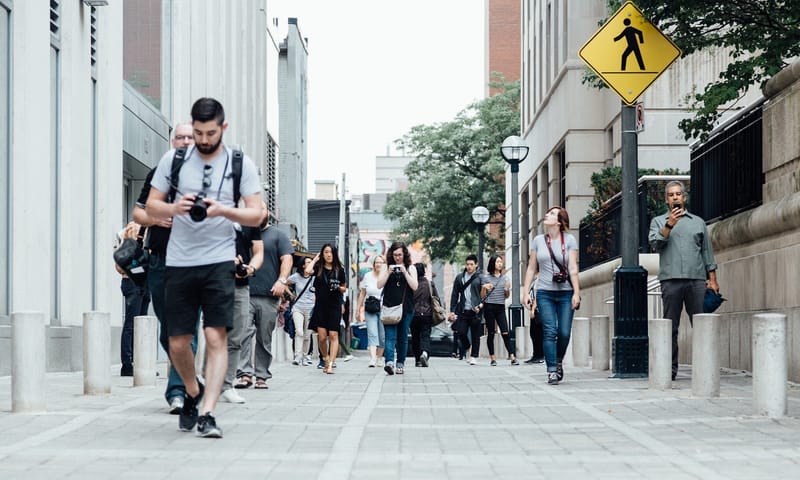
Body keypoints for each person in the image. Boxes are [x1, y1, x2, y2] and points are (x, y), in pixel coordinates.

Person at [146, 97, 264, 438]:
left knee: (215, 336)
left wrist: (223, 211)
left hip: (218, 260)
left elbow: (257, 214)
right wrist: (174, 208)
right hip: (180, 261)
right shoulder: (175, 159)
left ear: (223, 128)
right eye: (198, 132)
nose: (203, 139)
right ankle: (192, 392)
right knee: (178, 342)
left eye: (210, 133)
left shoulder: (240, 162)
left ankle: (208, 412)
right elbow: (150, 206)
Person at [133, 121, 194, 412]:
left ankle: (178, 390)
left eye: (189, 138)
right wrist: (155, 220)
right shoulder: (158, 174)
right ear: (172, 142)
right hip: (160, 260)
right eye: (179, 137)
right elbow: (137, 212)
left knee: (186, 328)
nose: (183, 142)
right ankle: (185, 379)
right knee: (168, 329)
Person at [648, 180, 719, 381]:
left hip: (696, 280)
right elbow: (655, 244)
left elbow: (707, 252)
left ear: (684, 197)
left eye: (678, 194)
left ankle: (705, 367)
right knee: (671, 327)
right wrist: (669, 224)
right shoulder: (658, 221)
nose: (675, 197)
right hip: (670, 281)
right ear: (666, 199)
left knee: (702, 324)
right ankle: (670, 369)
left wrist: (712, 279)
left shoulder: (698, 222)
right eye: (671, 195)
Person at [522, 206, 581, 385]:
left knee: (563, 332)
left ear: (560, 221)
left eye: (552, 213)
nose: (547, 215)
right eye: (547, 212)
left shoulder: (570, 240)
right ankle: (552, 371)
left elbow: (572, 267)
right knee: (550, 331)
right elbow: (532, 267)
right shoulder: (538, 240)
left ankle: (558, 360)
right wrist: (525, 292)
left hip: (566, 292)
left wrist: (577, 292)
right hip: (544, 292)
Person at [245, 207, 294, 388]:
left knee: (263, 338)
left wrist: (282, 280)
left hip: (269, 295)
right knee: (242, 334)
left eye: (262, 208)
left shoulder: (278, 235)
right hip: (244, 293)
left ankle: (261, 375)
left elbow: (287, 259)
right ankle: (244, 374)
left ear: (268, 213)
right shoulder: (244, 233)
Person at [219, 214, 264, 404]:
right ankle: (205, 381)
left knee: (236, 336)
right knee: (213, 334)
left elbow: (258, 251)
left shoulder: (248, 219)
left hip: (241, 285)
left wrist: (249, 269)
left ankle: (227, 386)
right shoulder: (210, 214)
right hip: (214, 282)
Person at [114, 221, 151, 377]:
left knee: (141, 325)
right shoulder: (130, 231)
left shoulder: (149, 230)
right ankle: (127, 364)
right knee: (132, 324)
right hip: (132, 281)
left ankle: (138, 363)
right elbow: (122, 262)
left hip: (142, 282)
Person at [305, 243, 348, 374]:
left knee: (334, 335)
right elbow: (307, 271)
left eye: (331, 252)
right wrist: (315, 259)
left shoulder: (339, 270)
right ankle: (325, 358)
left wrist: (338, 287)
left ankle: (330, 364)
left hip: (334, 305)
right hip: (321, 306)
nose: (329, 255)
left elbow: (344, 287)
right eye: (326, 252)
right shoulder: (318, 268)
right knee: (322, 337)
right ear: (322, 254)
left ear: (334, 254)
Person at [377, 241, 418, 375]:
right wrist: (388, 272)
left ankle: (400, 363)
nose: (397, 258)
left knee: (402, 337)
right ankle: (389, 362)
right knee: (389, 337)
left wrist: (405, 272)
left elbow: (415, 286)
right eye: (395, 255)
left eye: (400, 255)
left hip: (406, 308)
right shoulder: (386, 267)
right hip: (389, 307)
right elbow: (379, 285)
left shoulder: (411, 268)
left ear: (404, 254)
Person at [480, 255, 518, 366]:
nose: (500, 264)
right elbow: (482, 297)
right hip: (489, 307)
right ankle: (492, 358)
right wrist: (484, 287)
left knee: (505, 332)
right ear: (492, 264)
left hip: (500, 307)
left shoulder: (505, 278)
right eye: (497, 262)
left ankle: (512, 357)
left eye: (501, 262)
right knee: (491, 333)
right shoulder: (486, 278)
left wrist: (507, 288)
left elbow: (506, 296)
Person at [448, 254, 483, 365]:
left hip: (476, 310)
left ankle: (474, 356)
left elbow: (485, 295)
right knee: (461, 332)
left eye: (471, 264)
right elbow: (454, 295)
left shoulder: (480, 277)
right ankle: (468, 348)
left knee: (475, 334)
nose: (469, 266)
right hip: (463, 310)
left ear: (476, 265)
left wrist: (481, 306)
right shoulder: (460, 277)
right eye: (467, 264)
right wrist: (452, 310)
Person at [356, 255, 386, 367]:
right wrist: (358, 309)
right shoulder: (368, 276)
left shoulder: (386, 276)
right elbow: (362, 293)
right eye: (376, 262)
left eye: (381, 262)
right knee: (372, 333)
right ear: (373, 264)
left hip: (383, 308)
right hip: (370, 308)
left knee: (382, 336)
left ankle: (379, 357)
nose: (378, 264)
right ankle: (373, 358)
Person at [287, 257, 316, 366]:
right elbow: (284, 282)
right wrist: (290, 294)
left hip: (310, 309)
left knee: (307, 335)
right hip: (298, 308)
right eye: (308, 262)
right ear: (303, 265)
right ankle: (297, 356)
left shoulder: (315, 278)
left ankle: (305, 356)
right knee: (299, 331)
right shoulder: (296, 277)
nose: (310, 264)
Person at [410, 263, 437, 367]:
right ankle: (425, 353)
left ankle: (417, 359)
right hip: (427, 314)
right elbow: (436, 298)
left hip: (414, 315)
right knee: (425, 335)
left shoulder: (412, 284)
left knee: (415, 337)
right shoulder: (430, 284)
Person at [524, 277, 545, 364]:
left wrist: (533, 309)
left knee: (539, 334)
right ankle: (535, 355)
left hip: (539, 310)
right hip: (535, 309)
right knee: (533, 333)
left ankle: (541, 356)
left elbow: (538, 295)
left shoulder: (541, 279)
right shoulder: (535, 280)